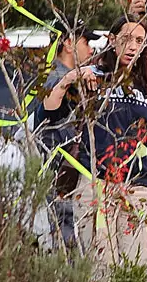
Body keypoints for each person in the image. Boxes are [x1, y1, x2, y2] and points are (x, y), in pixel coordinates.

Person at [37, 15, 147, 271]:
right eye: (126, 38)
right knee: (100, 270)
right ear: (112, 41)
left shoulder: (144, 84)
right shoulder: (94, 75)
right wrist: (69, 79)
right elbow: (47, 112)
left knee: (135, 270)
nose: (133, 46)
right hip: (97, 184)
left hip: (136, 187)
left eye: (139, 40)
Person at [34, 19, 99, 246]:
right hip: (61, 177)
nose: (91, 50)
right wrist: (71, 79)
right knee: (67, 245)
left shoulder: (70, 77)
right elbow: (48, 107)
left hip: (71, 177)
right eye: (87, 42)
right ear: (69, 43)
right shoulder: (56, 78)